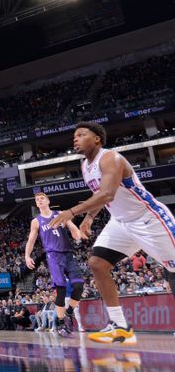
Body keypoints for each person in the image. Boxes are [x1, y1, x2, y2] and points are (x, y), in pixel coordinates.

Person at [51, 121, 175, 344]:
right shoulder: (85, 166)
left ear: (97, 138)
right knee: (97, 263)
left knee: (173, 269)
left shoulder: (111, 158)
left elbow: (107, 193)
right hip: (120, 222)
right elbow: (100, 193)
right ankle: (121, 327)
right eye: (74, 137)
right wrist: (89, 217)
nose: (75, 139)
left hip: (148, 218)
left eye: (81, 135)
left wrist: (72, 212)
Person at [24, 192, 84, 337]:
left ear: (48, 201)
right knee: (61, 289)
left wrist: (76, 233)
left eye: (42, 198)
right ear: (36, 204)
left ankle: (69, 312)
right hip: (53, 256)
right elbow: (31, 240)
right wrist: (27, 256)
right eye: (37, 200)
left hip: (68, 253)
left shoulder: (60, 213)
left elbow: (73, 227)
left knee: (79, 286)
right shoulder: (36, 221)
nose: (39, 200)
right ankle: (61, 323)